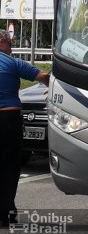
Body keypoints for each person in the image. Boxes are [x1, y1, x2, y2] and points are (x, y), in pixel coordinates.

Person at [0, 29, 49, 227]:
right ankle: (6, 214)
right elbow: (43, 75)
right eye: (10, 44)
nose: (11, 49)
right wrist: (51, 86)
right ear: (2, 43)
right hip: (8, 119)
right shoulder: (12, 62)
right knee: (9, 167)